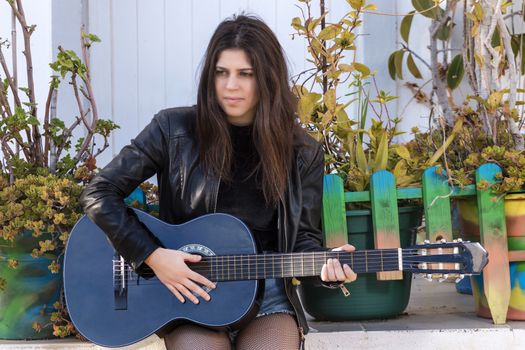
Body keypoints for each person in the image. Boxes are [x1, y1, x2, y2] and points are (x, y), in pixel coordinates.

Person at [80, 14, 357, 350]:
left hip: (266, 296)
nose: (230, 86)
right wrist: (152, 256)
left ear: (268, 79)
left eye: (246, 74)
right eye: (221, 72)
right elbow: (99, 193)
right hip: (187, 293)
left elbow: (303, 240)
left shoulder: (302, 153)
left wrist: (328, 266)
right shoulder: (173, 129)